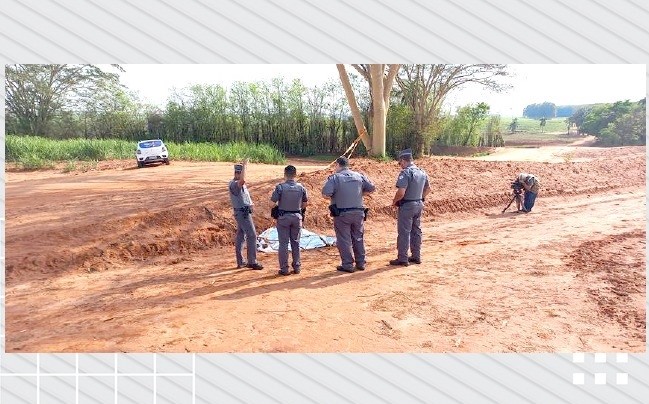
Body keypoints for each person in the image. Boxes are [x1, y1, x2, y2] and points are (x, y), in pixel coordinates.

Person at [322, 156, 375, 273]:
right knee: (358, 237)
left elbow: (325, 194)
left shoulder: (334, 178)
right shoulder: (359, 176)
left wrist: (337, 196)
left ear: (337, 165)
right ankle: (361, 263)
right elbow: (372, 188)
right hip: (359, 212)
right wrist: (360, 194)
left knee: (344, 239)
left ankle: (348, 264)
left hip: (342, 214)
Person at [390, 149, 431, 266]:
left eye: (400, 162)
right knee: (416, 231)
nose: (400, 165)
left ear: (403, 161)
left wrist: (394, 202)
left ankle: (402, 258)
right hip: (418, 204)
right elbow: (428, 189)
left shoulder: (406, 173)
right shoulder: (422, 172)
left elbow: (401, 192)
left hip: (407, 205)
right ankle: (416, 256)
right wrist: (421, 198)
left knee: (404, 232)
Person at [271, 165, 309, 276]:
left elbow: (271, 203)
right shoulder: (301, 187)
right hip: (297, 217)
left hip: (283, 218)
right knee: (295, 242)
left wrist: (278, 207)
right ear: (295, 175)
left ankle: (284, 269)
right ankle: (297, 267)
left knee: (283, 243)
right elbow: (305, 203)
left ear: (284, 174)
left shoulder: (280, 187)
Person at [228, 159, 263, 270]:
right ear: (235, 173)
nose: (238, 174)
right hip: (242, 213)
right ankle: (252, 261)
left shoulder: (239, 184)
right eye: (238, 172)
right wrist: (244, 166)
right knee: (252, 235)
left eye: (240, 172)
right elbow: (242, 180)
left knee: (240, 235)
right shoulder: (234, 184)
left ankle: (241, 261)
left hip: (243, 212)